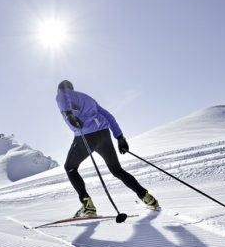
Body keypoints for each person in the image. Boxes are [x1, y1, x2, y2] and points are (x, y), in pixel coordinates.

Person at [56, 80, 159, 218]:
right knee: (117, 170)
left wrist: (69, 114)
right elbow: (108, 116)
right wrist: (120, 137)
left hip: (85, 135)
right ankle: (146, 197)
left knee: (70, 167)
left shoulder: (62, 94)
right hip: (104, 134)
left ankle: (88, 206)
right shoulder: (88, 98)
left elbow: (64, 98)